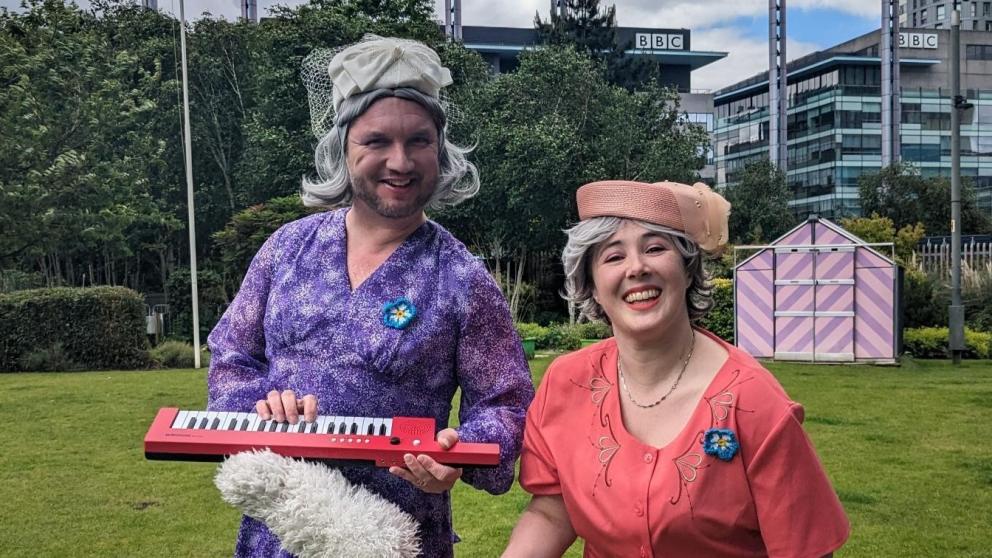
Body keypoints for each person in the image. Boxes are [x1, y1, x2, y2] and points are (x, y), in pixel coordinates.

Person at [207, 35, 534, 558]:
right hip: (278, 534)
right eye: (376, 141)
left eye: (419, 141)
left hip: (397, 537)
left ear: (441, 150)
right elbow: (231, 357)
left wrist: (457, 455)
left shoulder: (462, 279)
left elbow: (506, 404)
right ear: (343, 147)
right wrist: (257, 404)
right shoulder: (287, 249)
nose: (399, 161)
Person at [503, 180, 849, 558]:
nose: (637, 268)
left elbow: (807, 548)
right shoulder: (566, 383)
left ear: (687, 270)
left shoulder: (755, 403)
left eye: (655, 248)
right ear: (593, 287)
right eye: (613, 257)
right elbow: (553, 512)